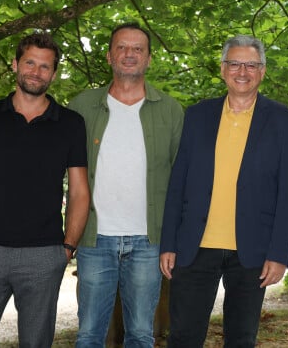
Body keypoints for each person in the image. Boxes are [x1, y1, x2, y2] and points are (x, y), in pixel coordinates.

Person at [159, 35, 288, 347]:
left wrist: (278, 254)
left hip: (252, 251)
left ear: (262, 72)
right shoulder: (196, 115)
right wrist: (169, 243)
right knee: (183, 337)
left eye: (251, 64)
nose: (242, 71)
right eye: (234, 63)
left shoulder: (283, 120)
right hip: (195, 245)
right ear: (222, 69)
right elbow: (177, 181)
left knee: (241, 339)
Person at [69, 22, 184, 347]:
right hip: (94, 240)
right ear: (108, 56)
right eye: (122, 47)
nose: (129, 54)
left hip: (149, 242)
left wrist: (173, 240)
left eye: (137, 49)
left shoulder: (171, 111)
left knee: (141, 334)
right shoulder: (82, 107)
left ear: (149, 58)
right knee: (89, 334)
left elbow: (181, 181)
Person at [0, 33, 90, 347]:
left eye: (45, 66)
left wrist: (67, 247)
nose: (36, 72)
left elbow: (79, 191)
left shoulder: (70, 123)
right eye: (30, 63)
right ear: (15, 65)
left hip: (43, 254)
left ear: (53, 73)